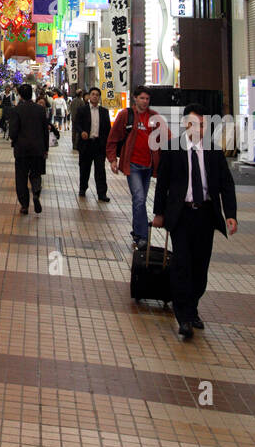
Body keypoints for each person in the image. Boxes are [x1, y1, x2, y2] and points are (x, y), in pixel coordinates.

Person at [152, 103, 238, 340]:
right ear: (184, 125)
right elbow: (163, 183)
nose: (197, 129)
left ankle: (192, 307)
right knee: (182, 265)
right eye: (192, 124)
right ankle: (184, 317)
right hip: (181, 215)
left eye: (201, 125)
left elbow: (226, 184)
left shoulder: (212, 150)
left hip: (206, 214)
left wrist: (230, 214)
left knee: (200, 267)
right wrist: (159, 213)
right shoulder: (172, 149)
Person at [106, 85, 168, 249]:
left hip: (148, 166)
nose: (145, 101)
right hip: (132, 165)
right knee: (139, 199)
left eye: (147, 99)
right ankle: (143, 236)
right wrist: (112, 159)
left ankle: (137, 233)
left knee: (139, 201)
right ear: (135, 98)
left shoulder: (154, 117)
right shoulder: (126, 115)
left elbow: (167, 137)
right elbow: (112, 139)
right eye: (142, 98)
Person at [7, 83, 48, 214]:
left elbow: (13, 132)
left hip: (21, 149)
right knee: (36, 174)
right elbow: (45, 131)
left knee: (21, 177)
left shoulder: (16, 110)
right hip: (38, 148)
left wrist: (14, 139)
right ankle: (36, 192)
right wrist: (45, 148)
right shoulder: (41, 109)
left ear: (20, 95)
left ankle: (24, 205)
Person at [72, 86, 111, 202]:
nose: (95, 96)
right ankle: (83, 188)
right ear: (89, 96)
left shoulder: (104, 112)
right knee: (84, 168)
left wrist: (106, 143)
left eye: (97, 95)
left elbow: (107, 128)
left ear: (99, 97)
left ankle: (102, 193)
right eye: (93, 94)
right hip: (86, 144)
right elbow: (77, 123)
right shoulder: (82, 110)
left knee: (100, 170)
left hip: (99, 145)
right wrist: (82, 132)